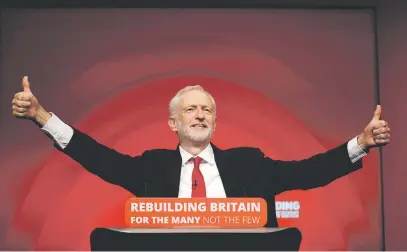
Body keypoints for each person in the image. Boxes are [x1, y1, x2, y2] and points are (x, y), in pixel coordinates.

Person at [12, 76, 391, 227]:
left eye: (206, 109)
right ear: (173, 124)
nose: (200, 114)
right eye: (190, 109)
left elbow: (309, 171)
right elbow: (95, 156)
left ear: (215, 123)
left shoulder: (248, 163)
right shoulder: (151, 167)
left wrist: (361, 142)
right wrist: (42, 116)